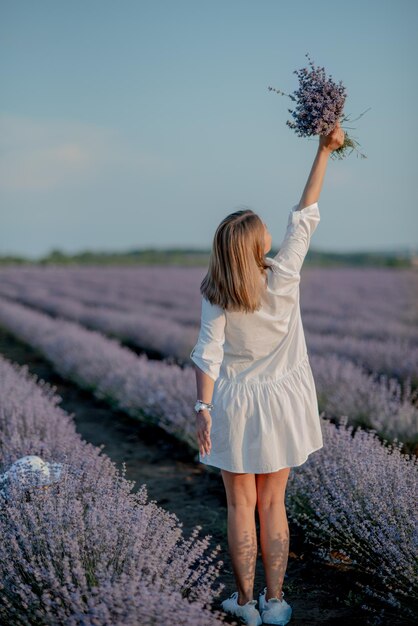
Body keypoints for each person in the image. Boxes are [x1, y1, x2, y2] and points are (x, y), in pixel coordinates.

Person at [190, 122, 345, 626]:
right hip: (283, 403)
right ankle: (276, 602)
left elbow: (207, 354)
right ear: (257, 245)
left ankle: (245, 602)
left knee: (240, 505)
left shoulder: (217, 292)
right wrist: (324, 150)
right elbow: (305, 215)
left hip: (234, 403)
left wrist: (203, 409)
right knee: (273, 502)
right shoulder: (284, 274)